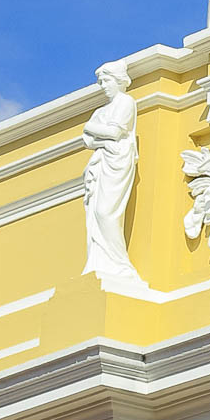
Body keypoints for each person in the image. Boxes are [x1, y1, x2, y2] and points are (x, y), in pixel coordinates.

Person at [81, 60, 143, 281]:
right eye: (100, 82)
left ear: (119, 81)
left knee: (106, 213)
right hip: (100, 163)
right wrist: (98, 135)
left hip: (117, 160)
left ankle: (119, 263)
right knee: (96, 214)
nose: (103, 86)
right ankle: (100, 262)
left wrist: (91, 128)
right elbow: (87, 140)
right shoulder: (102, 110)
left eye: (106, 80)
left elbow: (115, 133)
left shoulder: (126, 102)